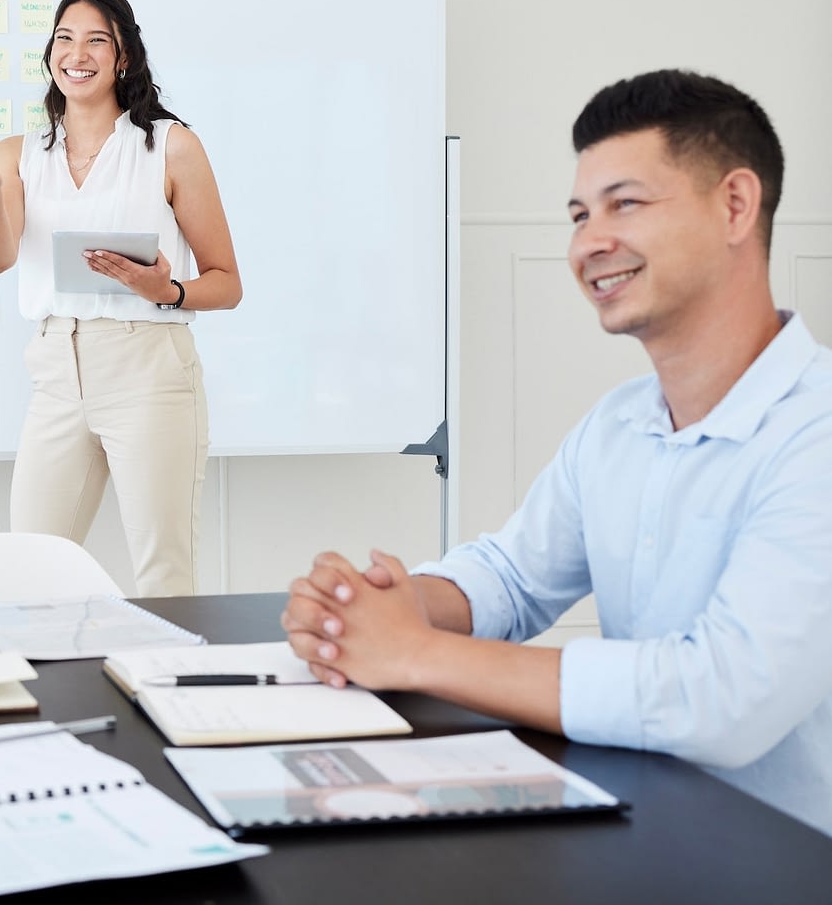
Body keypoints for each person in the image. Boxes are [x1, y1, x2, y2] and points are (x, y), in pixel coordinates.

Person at [281, 69, 832, 837]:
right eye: (578, 214)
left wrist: (411, 653)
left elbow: (722, 699)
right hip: (645, 830)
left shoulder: (815, 432)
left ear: (735, 204)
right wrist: (390, 608)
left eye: (624, 204)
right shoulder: (618, 424)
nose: (588, 243)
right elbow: (512, 574)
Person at [0, 0, 242, 596]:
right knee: (30, 568)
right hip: (57, 367)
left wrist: (167, 290)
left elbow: (226, 283)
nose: (77, 53)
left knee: (164, 573)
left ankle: (167, 692)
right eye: (64, 38)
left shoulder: (170, 146)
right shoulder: (18, 153)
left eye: (97, 41)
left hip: (149, 368)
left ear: (123, 56)